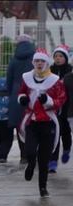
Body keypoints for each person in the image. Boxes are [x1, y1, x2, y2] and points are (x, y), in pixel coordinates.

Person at [18, 48, 67, 198]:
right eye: (37, 61)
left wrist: (49, 101)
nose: (39, 64)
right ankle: (31, 165)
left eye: (42, 61)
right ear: (33, 62)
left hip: (48, 122)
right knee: (30, 151)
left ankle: (43, 187)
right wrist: (22, 99)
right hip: (32, 121)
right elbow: (22, 92)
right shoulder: (27, 78)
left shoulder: (54, 80)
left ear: (47, 63)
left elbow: (61, 98)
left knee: (44, 157)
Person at [6, 34, 36, 165]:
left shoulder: (14, 60)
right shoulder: (36, 59)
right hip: (33, 92)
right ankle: (32, 153)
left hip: (16, 93)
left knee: (20, 125)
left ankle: (23, 154)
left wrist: (11, 93)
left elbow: (9, 80)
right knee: (33, 123)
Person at [47, 44, 73, 173]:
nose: (58, 58)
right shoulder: (49, 70)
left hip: (67, 107)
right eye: (56, 56)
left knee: (65, 131)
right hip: (53, 106)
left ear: (66, 58)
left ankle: (67, 148)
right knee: (54, 133)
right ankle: (52, 161)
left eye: (61, 56)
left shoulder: (70, 71)